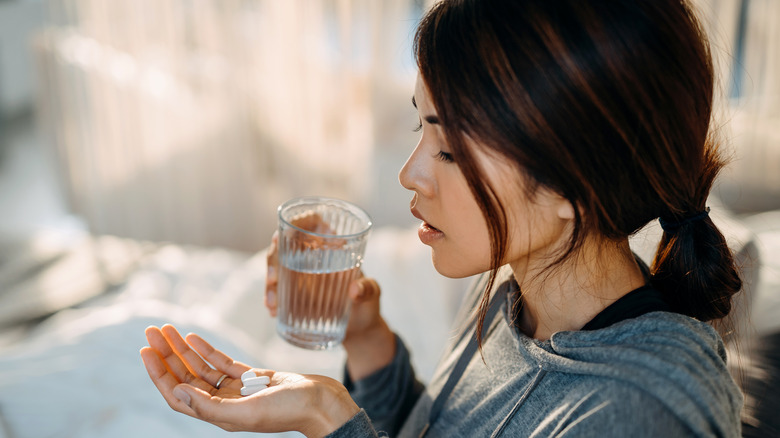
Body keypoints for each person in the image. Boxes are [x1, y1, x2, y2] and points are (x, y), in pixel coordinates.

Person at [140, 0, 745, 436]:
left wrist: (329, 418)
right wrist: (368, 341)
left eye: (450, 150)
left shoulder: (641, 412)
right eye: (419, 127)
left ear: (573, 183)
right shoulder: (513, 291)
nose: (410, 174)